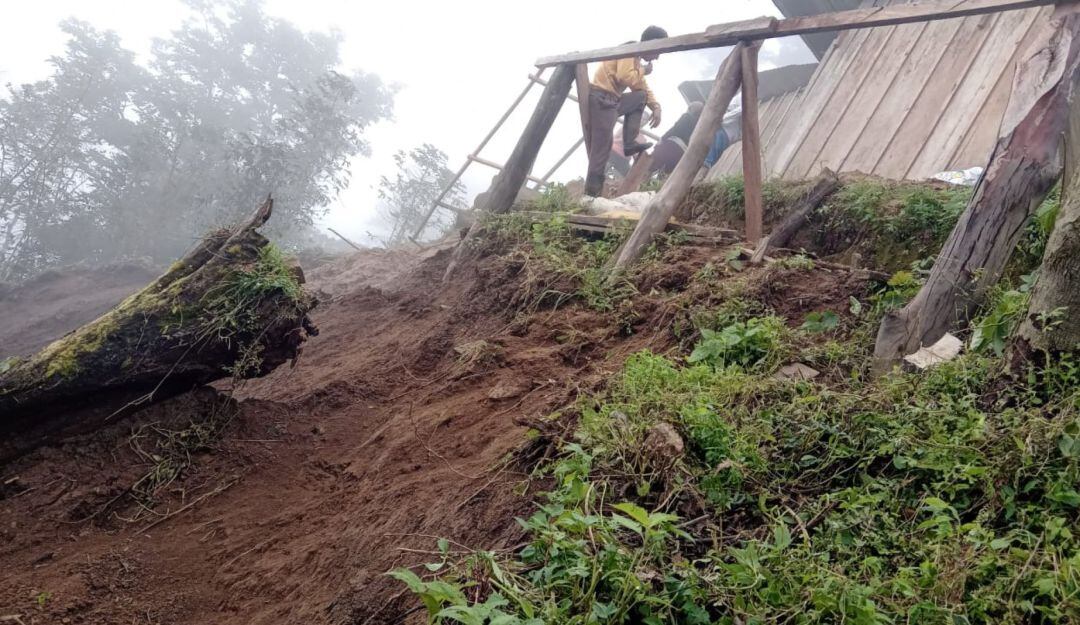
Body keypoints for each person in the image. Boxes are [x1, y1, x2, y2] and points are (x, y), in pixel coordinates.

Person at [584, 25, 668, 197]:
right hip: (602, 99)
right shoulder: (629, 50)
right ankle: (590, 195)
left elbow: (641, 86)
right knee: (602, 148)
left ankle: (629, 143)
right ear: (652, 44)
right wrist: (644, 70)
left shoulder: (635, 61)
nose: (658, 57)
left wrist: (656, 106)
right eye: (659, 51)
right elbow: (625, 77)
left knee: (640, 96)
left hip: (612, 101)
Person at [650, 101, 704, 175]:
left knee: (651, 164)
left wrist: (662, 139)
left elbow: (675, 129)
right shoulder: (700, 125)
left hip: (671, 145)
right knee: (665, 174)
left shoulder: (686, 116)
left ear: (691, 108)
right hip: (682, 153)